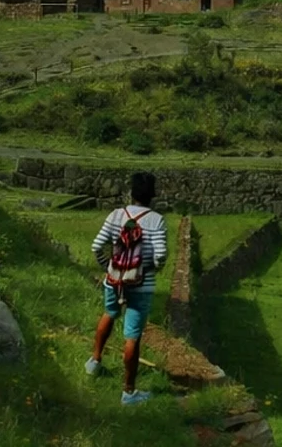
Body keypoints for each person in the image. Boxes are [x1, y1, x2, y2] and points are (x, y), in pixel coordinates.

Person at [87, 171, 167, 405]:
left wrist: (109, 266)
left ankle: (94, 361)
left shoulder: (115, 215)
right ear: (152, 195)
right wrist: (153, 268)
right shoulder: (157, 220)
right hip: (141, 285)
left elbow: (96, 245)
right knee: (132, 335)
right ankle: (129, 392)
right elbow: (161, 254)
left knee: (109, 313)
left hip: (114, 280)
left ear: (131, 193)